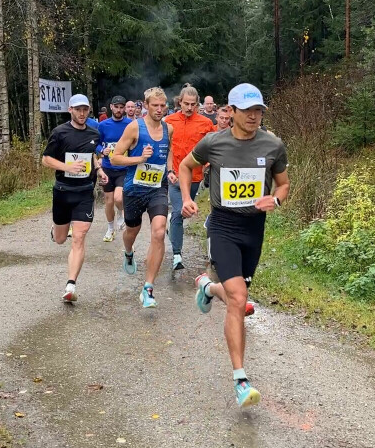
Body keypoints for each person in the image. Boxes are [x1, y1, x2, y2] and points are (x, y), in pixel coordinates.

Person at [180, 83, 290, 408]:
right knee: (239, 300)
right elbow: (187, 166)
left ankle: (208, 288)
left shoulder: (273, 145)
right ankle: (240, 379)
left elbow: (283, 185)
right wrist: (186, 198)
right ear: (231, 112)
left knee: (234, 296)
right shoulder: (214, 143)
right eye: (248, 111)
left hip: (254, 230)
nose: (254, 116)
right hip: (223, 226)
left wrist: (276, 200)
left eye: (259, 111)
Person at [109, 87, 175, 308]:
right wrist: (138, 158)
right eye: (154, 105)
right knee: (131, 231)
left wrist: (171, 170)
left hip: (158, 188)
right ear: (145, 106)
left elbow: (169, 153)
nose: (159, 109)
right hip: (134, 189)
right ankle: (128, 253)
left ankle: (148, 288)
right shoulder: (134, 127)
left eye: (162, 105)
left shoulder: (169, 129)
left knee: (158, 232)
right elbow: (115, 158)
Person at [42, 94, 109, 302]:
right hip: (63, 190)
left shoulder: (94, 133)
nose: (82, 113)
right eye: (78, 109)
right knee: (61, 239)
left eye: (85, 109)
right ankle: (56, 230)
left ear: (89, 110)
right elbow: (46, 159)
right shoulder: (60, 132)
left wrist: (99, 170)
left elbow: (91, 155)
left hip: (84, 191)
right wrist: (67, 167)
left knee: (79, 237)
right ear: (70, 110)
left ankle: (71, 284)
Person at [164, 83, 215, 271]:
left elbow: (212, 149)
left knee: (185, 212)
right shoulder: (169, 121)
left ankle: (173, 226)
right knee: (178, 212)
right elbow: (167, 149)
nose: (189, 107)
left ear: (197, 104)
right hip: (175, 177)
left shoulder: (206, 123)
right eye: (186, 103)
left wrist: (209, 165)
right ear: (179, 102)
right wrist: (169, 171)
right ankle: (177, 254)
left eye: (193, 104)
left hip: (195, 177)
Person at [97, 95, 133, 242]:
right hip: (107, 167)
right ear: (111, 107)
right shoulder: (103, 125)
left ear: (124, 108)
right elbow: (96, 143)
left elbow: (136, 142)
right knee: (108, 201)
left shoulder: (130, 124)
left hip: (123, 168)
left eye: (121, 107)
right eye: (116, 107)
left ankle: (121, 213)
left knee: (118, 197)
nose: (119, 110)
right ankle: (110, 228)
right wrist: (101, 150)